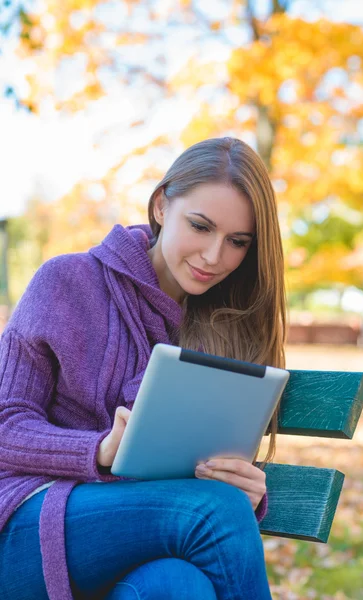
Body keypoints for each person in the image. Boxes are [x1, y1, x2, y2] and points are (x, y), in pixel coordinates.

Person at [0, 137, 286, 600]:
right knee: (214, 514)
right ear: (160, 206)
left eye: (237, 242)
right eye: (200, 226)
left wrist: (242, 486)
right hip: (24, 524)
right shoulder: (67, 282)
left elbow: (200, 468)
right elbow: (5, 425)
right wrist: (101, 450)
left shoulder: (228, 329)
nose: (215, 256)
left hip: (146, 539)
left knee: (180, 586)